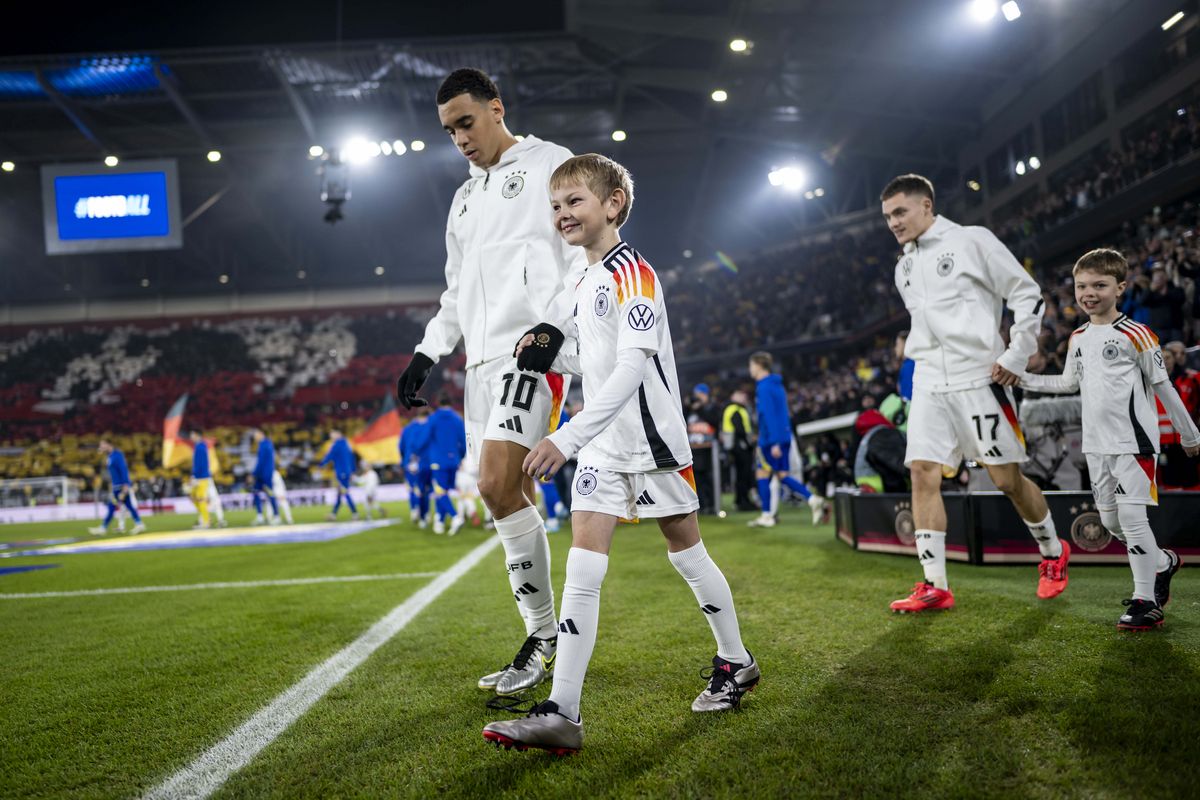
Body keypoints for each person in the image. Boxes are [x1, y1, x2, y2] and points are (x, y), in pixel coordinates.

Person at [483, 153, 758, 755]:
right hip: (606, 446)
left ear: (613, 204)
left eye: (574, 201)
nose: (561, 213)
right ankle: (563, 711)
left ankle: (736, 661)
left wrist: (568, 435)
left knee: (686, 548)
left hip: (653, 442)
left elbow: (635, 365)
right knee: (584, 564)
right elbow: (598, 362)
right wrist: (549, 355)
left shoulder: (634, 272)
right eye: (554, 205)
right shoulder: (578, 280)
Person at [393, 68, 587, 696]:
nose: (460, 138)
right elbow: (455, 290)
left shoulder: (550, 166)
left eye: (467, 123)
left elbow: (586, 253)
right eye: (449, 131)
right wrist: (428, 353)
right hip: (479, 365)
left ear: (496, 108)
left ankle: (543, 637)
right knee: (502, 496)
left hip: (531, 354)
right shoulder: (464, 199)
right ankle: (544, 634)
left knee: (496, 480)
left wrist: (556, 330)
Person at [881, 173, 1068, 612]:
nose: (893, 222)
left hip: (980, 378)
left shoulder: (971, 241)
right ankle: (935, 585)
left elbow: (1026, 293)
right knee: (922, 471)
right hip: (928, 379)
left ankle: (1053, 551)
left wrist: (1017, 354)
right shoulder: (903, 266)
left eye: (900, 211)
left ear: (927, 205)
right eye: (888, 216)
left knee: (1007, 481)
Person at [1020, 249, 1198, 630]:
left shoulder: (1138, 334)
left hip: (1134, 443)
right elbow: (1069, 383)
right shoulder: (1079, 336)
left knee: (1133, 519)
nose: (1089, 293)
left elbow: (1163, 388)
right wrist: (1023, 379)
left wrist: (1189, 433)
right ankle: (1164, 563)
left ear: (1120, 287)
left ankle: (1145, 601)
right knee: (1111, 522)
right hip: (1096, 445)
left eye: (1099, 285)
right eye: (1082, 286)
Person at [747, 352, 824, 527]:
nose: (749, 369)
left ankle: (767, 515)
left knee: (762, 473)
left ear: (759, 365)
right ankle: (811, 499)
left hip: (770, 439)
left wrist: (773, 441)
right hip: (784, 436)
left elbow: (769, 415)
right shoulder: (777, 385)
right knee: (781, 475)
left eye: (751, 365)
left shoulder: (764, 387)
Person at [411, 395, 467, 535]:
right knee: (444, 492)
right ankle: (440, 522)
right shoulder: (457, 418)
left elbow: (424, 439)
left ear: (438, 403)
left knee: (439, 492)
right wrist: (460, 457)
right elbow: (463, 441)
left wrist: (416, 451)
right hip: (453, 461)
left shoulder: (433, 418)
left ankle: (455, 517)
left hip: (438, 461)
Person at [88, 438, 146, 535]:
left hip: (121, 487)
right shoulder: (110, 456)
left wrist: (126, 486)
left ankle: (103, 528)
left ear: (108, 444)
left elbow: (123, 470)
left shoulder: (117, 455)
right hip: (116, 487)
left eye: (102, 444)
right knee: (124, 506)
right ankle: (139, 524)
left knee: (114, 507)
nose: (100, 447)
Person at [683, 383, 720, 514]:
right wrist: (688, 407)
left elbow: (714, 421)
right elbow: (682, 421)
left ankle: (712, 505)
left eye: (701, 395)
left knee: (709, 478)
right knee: (696, 479)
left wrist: (700, 409)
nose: (698, 398)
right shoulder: (689, 410)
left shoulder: (711, 408)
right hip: (693, 449)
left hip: (709, 449)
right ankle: (701, 505)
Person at [721, 389, 757, 511]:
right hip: (740, 447)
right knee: (744, 475)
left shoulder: (733, 409)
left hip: (735, 447)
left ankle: (740, 500)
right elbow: (740, 430)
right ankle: (743, 502)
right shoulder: (736, 410)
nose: (744, 398)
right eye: (741, 396)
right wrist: (749, 443)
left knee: (741, 476)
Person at [189, 429, 226, 529]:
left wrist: (195, 477)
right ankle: (209, 519)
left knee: (201, 499)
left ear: (197, 435)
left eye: (192, 434)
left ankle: (207, 521)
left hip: (202, 478)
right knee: (200, 499)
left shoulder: (200, 447)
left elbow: (202, 464)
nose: (191, 437)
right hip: (203, 477)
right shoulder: (200, 446)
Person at [400, 407, 431, 525]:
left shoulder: (407, 429)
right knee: (425, 490)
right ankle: (426, 514)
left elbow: (401, 447)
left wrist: (406, 461)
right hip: (425, 462)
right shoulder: (428, 427)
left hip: (410, 463)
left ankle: (414, 510)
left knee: (412, 489)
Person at [320, 431, 360, 521]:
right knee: (340, 493)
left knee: (344, 492)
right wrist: (352, 470)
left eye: (332, 436)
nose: (331, 438)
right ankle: (333, 514)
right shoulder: (347, 444)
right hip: (347, 472)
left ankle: (355, 513)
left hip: (341, 472)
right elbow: (351, 458)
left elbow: (330, 455)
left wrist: (321, 464)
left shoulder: (337, 444)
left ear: (338, 435)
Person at [249, 428, 281, 526]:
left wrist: (253, 474)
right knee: (257, 492)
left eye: (256, 434)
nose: (254, 437)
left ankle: (275, 516)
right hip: (264, 474)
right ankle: (262, 516)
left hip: (264, 475)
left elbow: (261, 462)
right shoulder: (267, 444)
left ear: (261, 434)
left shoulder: (264, 445)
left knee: (269, 494)